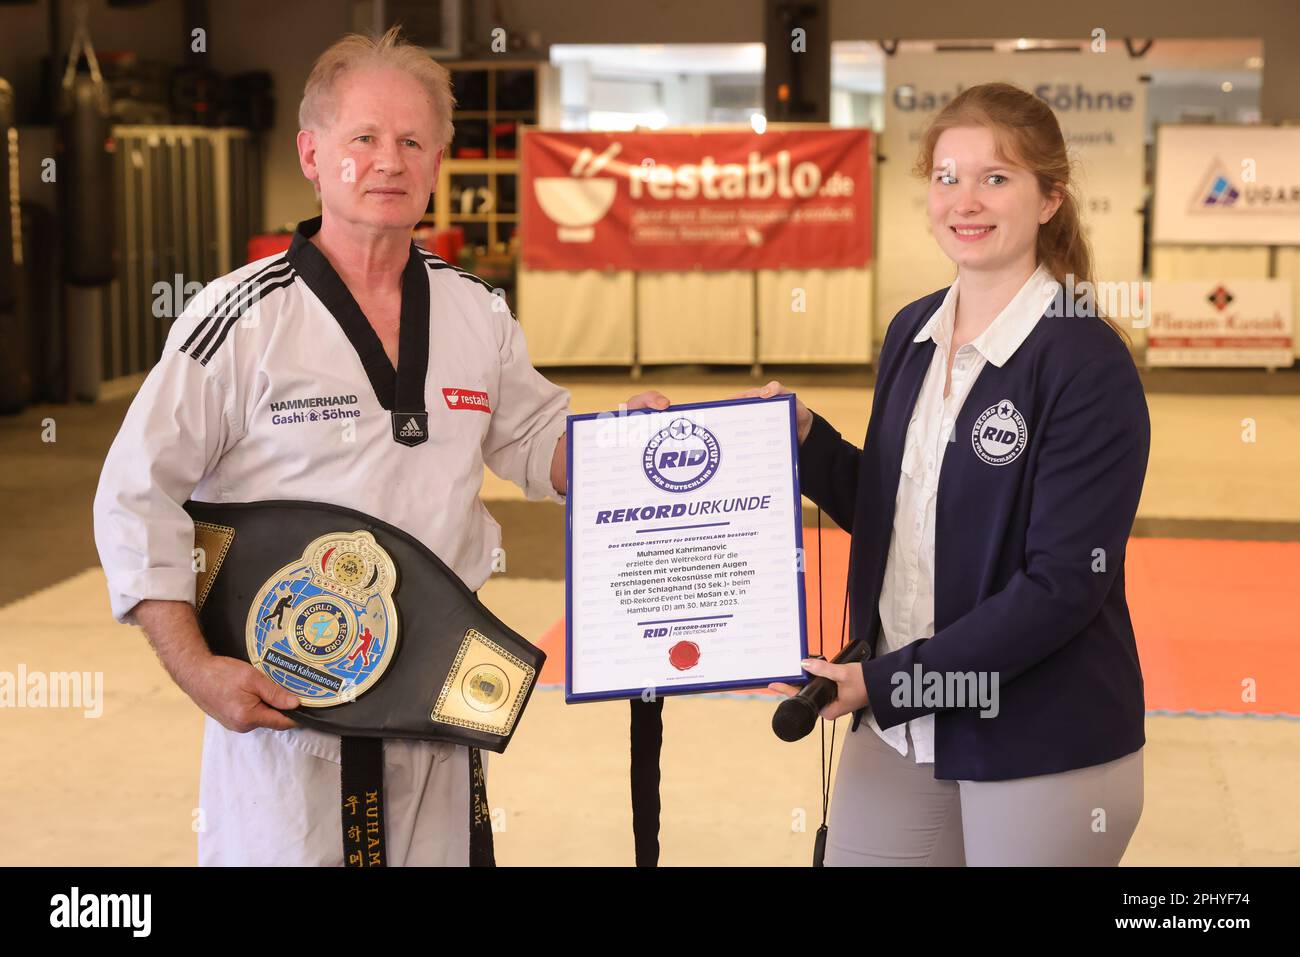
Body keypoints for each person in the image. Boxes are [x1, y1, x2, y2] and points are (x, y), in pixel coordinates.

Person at [92, 25, 666, 866]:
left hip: (434, 702)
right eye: (364, 137)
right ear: (313, 153)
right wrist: (198, 669)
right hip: (285, 715)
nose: (389, 160)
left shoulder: (476, 311)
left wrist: (625, 448)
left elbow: (537, 438)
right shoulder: (240, 316)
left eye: (412, 141)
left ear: (438, 163)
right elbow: (134, 494)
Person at [761, 82, 1150, 866]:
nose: (964, 201)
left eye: (995, 178)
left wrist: (885, 682)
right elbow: (902, 507)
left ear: (1050, 199)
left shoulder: (1085, 361)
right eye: (947, 177)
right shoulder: (913, 331)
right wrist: (804, 443)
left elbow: (1062, 586)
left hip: (1041, 732)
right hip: (904, 721)